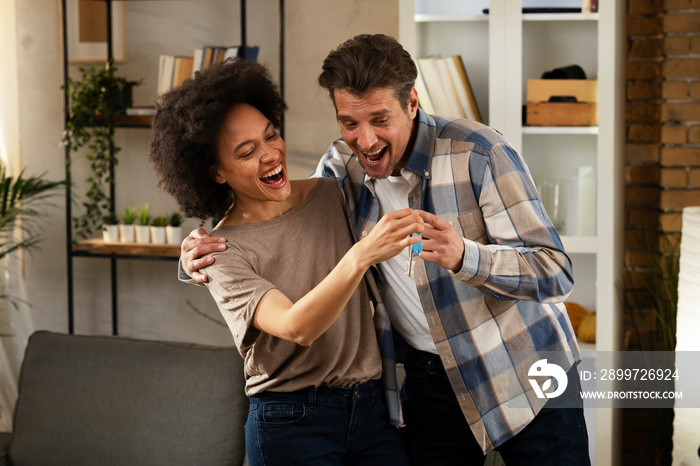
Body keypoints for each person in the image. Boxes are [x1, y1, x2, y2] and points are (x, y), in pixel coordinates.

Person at [181, 34, 590, 466]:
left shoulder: (480, 153)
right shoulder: (341, 169)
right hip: (431, 385)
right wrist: (192, 257)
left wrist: (464, 257)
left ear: (412, 102)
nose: (366, 140)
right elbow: (274, 217)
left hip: (528, 368)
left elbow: (555, 272)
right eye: (349, 122)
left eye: (380, 119)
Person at [149, 58, 422, 466]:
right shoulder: (221, 254)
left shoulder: (333, 195)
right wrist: (363, 254)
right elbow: (298, 326)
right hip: (292, 423)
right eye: (246, 152)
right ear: (216, 172)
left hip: (372, 409)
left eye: (270, 135)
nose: (271, 155)